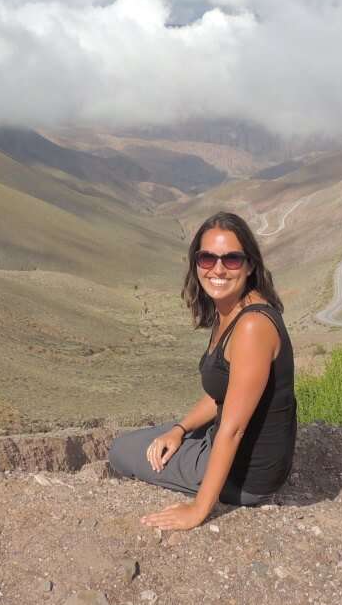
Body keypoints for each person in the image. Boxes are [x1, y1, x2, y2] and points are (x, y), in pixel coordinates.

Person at [108, 211, 297, 531]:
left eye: (232, 259)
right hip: (237, 450)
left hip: (248, 475)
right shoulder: (231, 309)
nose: (218, 269)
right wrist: (180, 429)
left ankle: (202, 484)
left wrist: (199, 510)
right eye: (207, 258)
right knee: (157, 436)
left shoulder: (251, 325)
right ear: (196, 264)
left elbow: (233, 430)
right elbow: (225, 393)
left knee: (121, 451)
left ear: (250, 265)